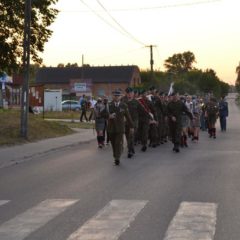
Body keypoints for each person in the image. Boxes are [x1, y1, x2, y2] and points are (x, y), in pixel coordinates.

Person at [107, 89, 134, 166]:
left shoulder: (124, 105)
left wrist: (132, 126)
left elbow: (128, 117)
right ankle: (116, 154)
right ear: (113, 96)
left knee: (117, 143)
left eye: (118, 96)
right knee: (113, 144)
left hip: (120, 128)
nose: (116, 97)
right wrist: (109, 116)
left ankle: (117, 158)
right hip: (111, 128)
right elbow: (103, 114)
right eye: (115, 95)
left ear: (120, 96)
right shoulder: (109, 105)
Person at [121, 87, 141, 158]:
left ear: (133, 93)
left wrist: (151, 118)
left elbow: (143, 112)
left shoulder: (136, 102)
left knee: (131, 136)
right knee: (127, 136)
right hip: (126, 122)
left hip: (134, 122)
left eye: (131, 93)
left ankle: (130, 151)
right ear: (126, 94)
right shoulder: (123, 101)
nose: (129, 94)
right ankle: (131, 149)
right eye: (128, 93)